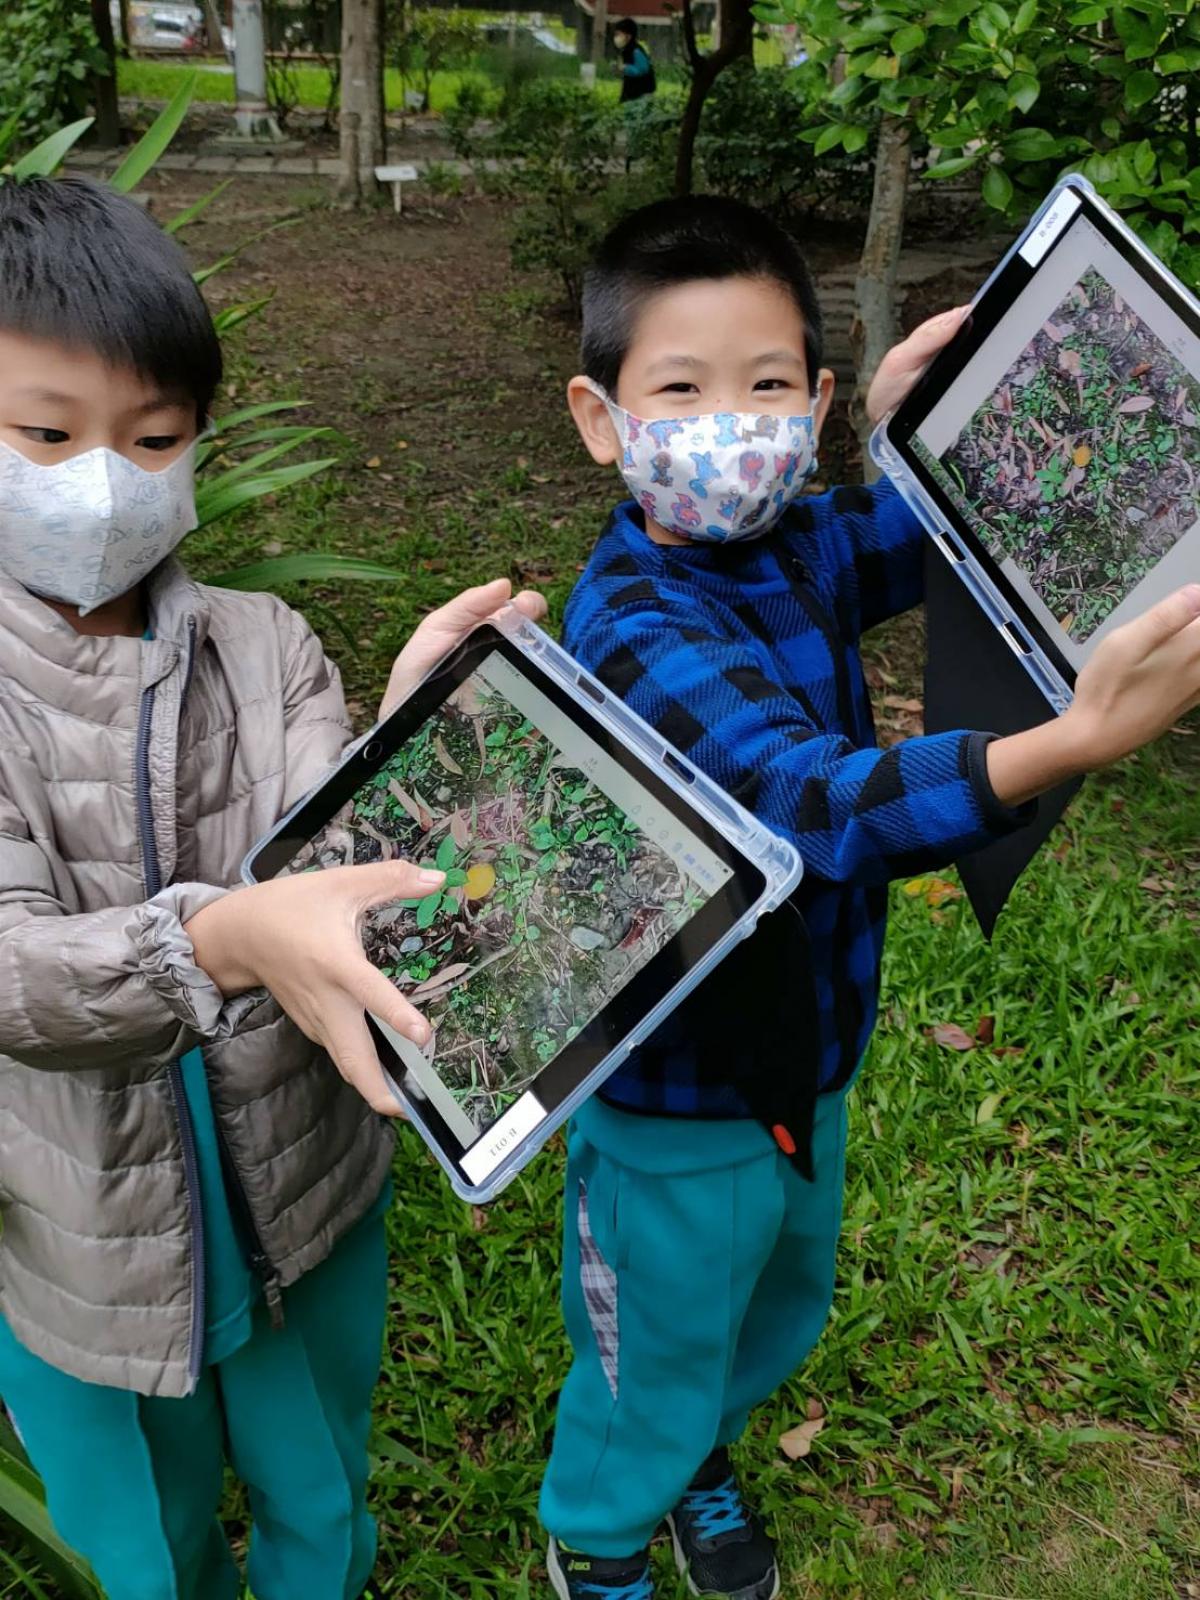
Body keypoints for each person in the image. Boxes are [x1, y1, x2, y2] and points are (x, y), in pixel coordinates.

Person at [540, 194, 1200, 1600]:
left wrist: (921, 431)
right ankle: (599, 1534)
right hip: (678, 1088)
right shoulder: (631, 624)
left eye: (768, 385)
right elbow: (811, 803)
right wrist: (1067, 741)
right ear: (604, 419)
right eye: (682, 391)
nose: (733, 423)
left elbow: (921, 531)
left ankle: (698, 1452)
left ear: (817, 403)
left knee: (772, 1299)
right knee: (654, 1336)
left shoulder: (798, 542)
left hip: (809, 1049)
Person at [0, 174, 544, 1600]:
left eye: (152, 438)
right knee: (146, 1541)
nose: (103, 479)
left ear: (199, 442)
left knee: (320, 1493)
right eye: (45, 434)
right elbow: (16, 975)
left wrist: (411, 734)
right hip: (80, 1250)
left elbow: (326, 858)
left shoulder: (268, 643)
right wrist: (221, 938)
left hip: (305, 1192)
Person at [612, 18, 656, 103]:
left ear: (628, 36)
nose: (616, 38)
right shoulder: (626, 50)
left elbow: (642, 70)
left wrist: (625, 68)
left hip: (642, 95)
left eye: (619, 34)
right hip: (632, 93)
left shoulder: (636, 51)